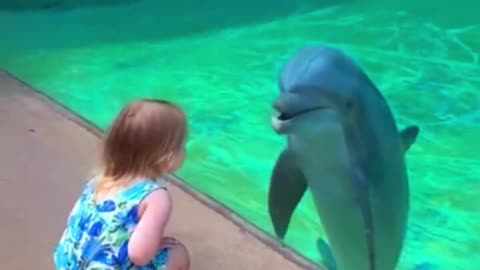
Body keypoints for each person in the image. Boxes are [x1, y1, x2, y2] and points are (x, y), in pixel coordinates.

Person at [53, 99, 190, 270]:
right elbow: (139, 256)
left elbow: (73, 221)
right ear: (165, 156)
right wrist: (152, 246)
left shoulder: (101, 179)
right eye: (181, 145)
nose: (185, 150)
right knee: (178, 254)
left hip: (68, 264)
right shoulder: (155, 197)